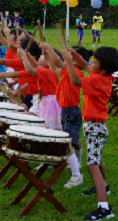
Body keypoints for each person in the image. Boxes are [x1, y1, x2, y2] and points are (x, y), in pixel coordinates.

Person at [61, 45, 118, 221]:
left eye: (94, 60)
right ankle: (103, 186)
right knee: (97, 158)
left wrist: (67, 61)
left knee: (91, 164)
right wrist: (73, 55)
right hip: (94, 127)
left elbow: (75, 80)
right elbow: (86, 65)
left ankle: (104, 208)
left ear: (101, 69)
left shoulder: (98, 82)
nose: (90, 62)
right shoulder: (101, 74)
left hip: (95, 127)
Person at [40, 41, 91, 189]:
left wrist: (49, 47)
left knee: (67, 143)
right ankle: (78, 162)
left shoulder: (76, 72)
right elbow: (53, 67)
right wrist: (47, 56)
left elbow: (58, 62)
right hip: (68, 111)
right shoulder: (68, 72)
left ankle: (76, 175)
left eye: (71, 57)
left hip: (71, 111)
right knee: (73, 140)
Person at [21, 46, 61, 130]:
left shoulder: (46, 72)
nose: (40, 56)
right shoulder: (48, 70)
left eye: (42, 56)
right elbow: (36, 66)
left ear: (48, 61)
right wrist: (28, 57)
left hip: (49, 103)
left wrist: (23, 57)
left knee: (47, 128)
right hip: (48, 101)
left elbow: (30, 70)